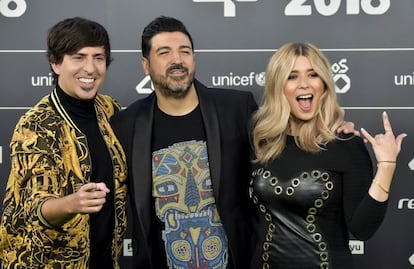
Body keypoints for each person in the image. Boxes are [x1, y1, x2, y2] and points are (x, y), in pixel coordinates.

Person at [110, 16, 258, 269]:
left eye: (184, 51)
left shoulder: (237, 109)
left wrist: (334, 133)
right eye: (164, 52)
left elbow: (283, 158)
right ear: (146, 65)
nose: (177, 60)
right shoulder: (126, 124)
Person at [249, 42, 406, 269]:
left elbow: (362, 229)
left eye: (312, 74)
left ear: (323, 84)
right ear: (278, 87)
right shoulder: (260, 141)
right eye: (292, 77)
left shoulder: (346, 145)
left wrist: (387, 166)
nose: (304, 84)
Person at [0, 17, 127, 268]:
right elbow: (34, 208)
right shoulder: (35, 125)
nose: (90, 68)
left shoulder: (109, 109)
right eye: (78, 57)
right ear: (56, 63)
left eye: (98, 58)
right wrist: (72, 203)